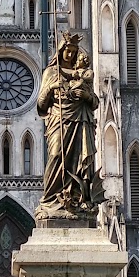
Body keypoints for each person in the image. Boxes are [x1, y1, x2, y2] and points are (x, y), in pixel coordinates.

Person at [35, 32, 105, 220]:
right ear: (61, 51)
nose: (70, 55)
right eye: (67, 51)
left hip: (81, 121)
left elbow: (96, 102)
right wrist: (51, 87)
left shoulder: (82, 75)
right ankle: (51, 199)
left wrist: (86, 97)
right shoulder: (51, 72)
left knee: (81, 163)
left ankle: (76, 198)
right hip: (59, 120)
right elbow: (41, 105)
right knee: (57, 155)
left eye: (74, 52)